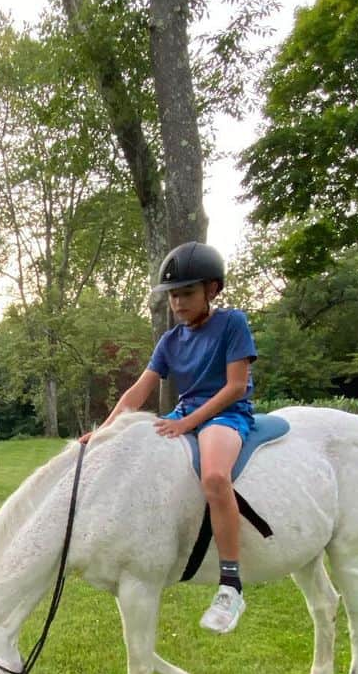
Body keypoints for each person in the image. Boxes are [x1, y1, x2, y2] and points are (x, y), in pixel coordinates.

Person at [81, 241, 257, 634]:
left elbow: (235, 386)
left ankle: (230, 585)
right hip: (184, 414)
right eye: (173, 295)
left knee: (213, 476)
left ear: (213, 289)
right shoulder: (170, 340)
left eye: (187, 293)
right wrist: (104, 432)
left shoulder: (233, 324)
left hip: (225, 414)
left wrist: (186, 421)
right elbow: (138, 392)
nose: (177, 302)